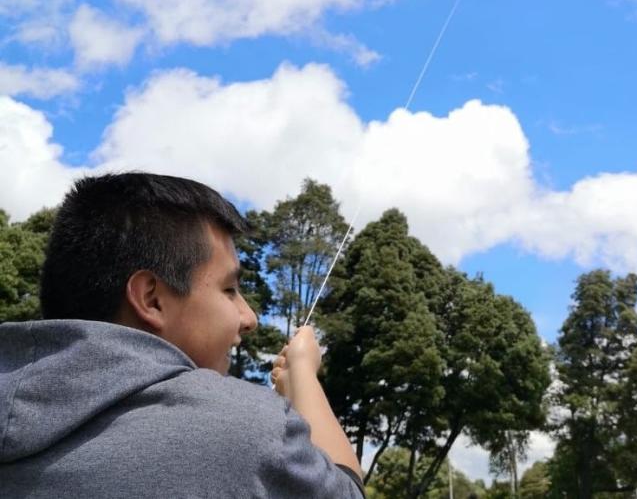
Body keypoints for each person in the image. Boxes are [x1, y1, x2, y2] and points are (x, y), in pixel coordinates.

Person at [0, 172, 365, 498]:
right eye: (228, 290)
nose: (249, 317)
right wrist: (303, 375)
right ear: (151, 298)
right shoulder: (245, 431)